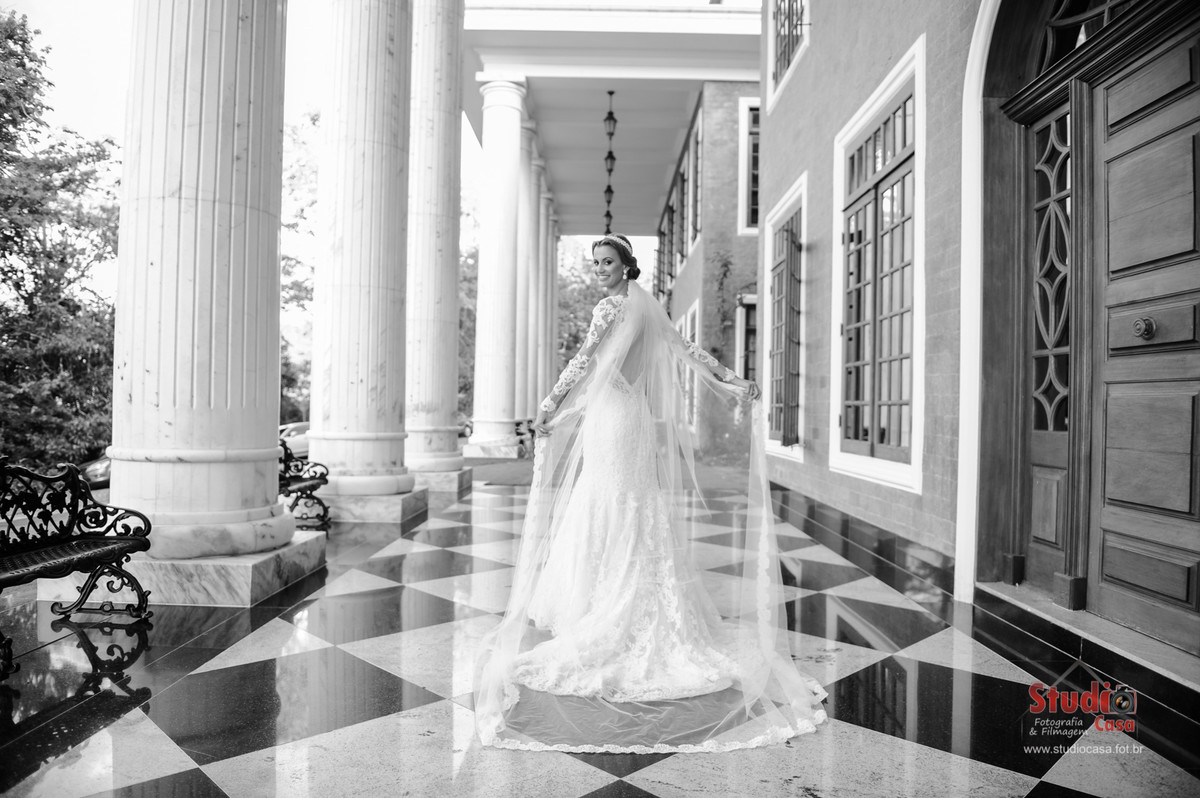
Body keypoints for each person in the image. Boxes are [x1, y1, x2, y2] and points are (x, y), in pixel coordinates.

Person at [473, 234, 827, 753]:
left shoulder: (610, 309)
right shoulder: (646, 307)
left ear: (626, 266)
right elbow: (687, 351)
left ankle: (603, 605)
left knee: (609, 500)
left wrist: (548, 405)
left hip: (612, 418)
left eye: (607, 262)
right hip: (632, 418)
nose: (600, 269)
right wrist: (733, 380)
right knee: (630, 503)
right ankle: (625, 599)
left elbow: (584, 361)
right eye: (595, 262)